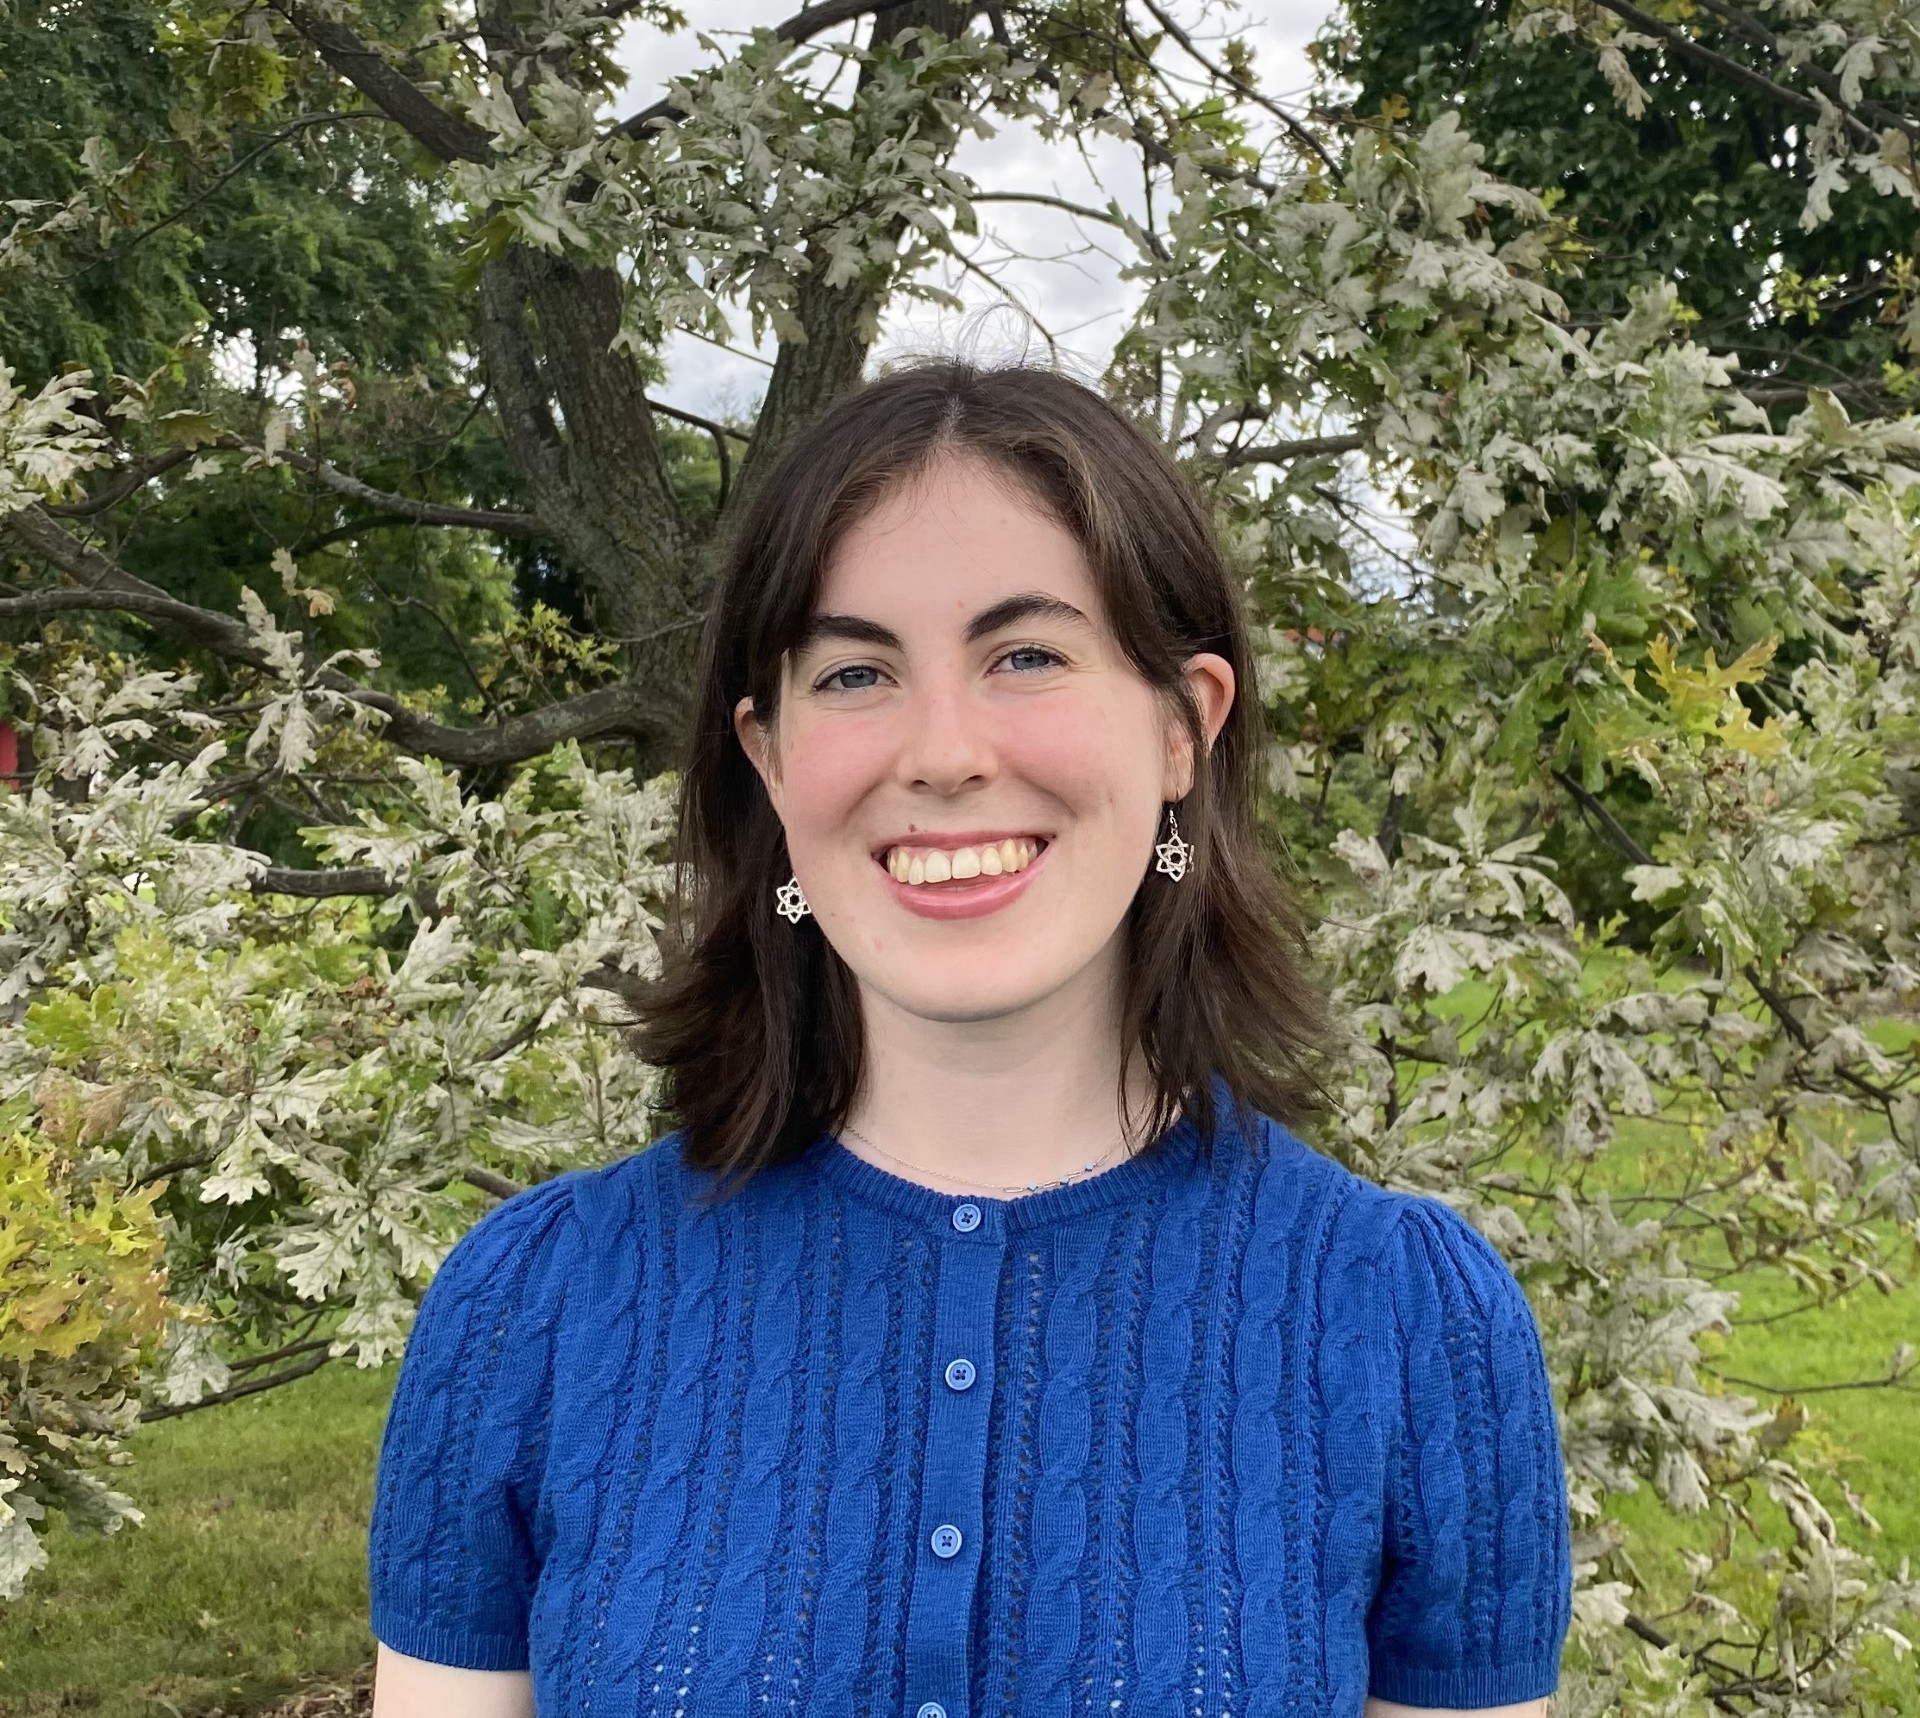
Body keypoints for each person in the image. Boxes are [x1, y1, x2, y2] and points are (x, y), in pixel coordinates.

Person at [366, 361, 1573, 1718]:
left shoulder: (1411, 1328)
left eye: (1027, 656)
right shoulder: (530, 1314)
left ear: (1185, 726)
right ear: (770, 758)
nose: (942, 753)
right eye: (857, 672)